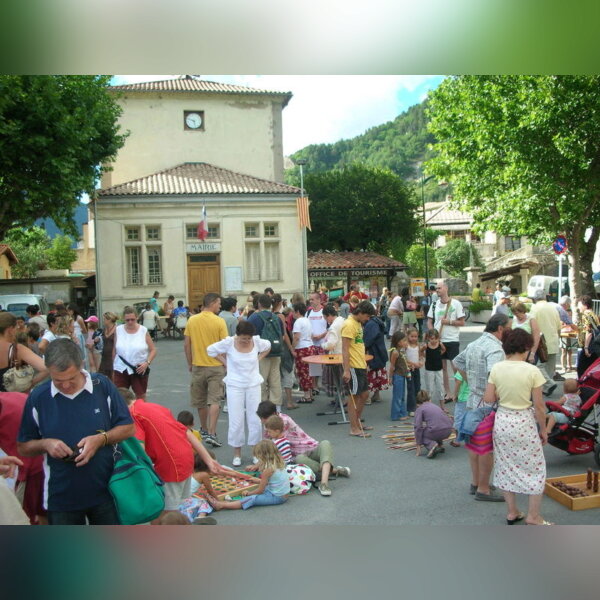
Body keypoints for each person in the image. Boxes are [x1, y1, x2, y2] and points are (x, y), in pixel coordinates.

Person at [17, 339, 135, 525]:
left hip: (107, 491)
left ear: (81, 365)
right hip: (61, 497)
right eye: (57, 381)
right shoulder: (38, 398)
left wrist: (101, 439)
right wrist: (46, 444)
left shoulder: (102, 386)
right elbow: (23, 446)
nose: (65, 386)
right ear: (48, 370)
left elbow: (128, 427)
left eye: (71, 379)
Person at [120, 387, 223, 522]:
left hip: (169, 464)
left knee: (164, 513)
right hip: (184, 457)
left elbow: (139, 449)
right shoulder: (155, 407)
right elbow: (186, 432)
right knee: (169, 509)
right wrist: (208, 459)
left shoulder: (133, 414)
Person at [483, 328, 551, 525]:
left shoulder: (497, 368)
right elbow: (539, 406)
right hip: (524, 421)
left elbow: (488, 398)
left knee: (505, 466)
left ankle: (512, 511)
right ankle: (533, 516)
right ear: (526, 347)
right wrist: (544, 429)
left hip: (503, 420)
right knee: (535, 468)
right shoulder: (532, 370)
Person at [452, 313, 510, 501]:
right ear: (500, 329)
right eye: (508, 328)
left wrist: (470, 381)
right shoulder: (495, 349)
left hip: (472, 400)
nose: (509, 331)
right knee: (486, 447)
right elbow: (495, 375)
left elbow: (456, 362)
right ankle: (484, 488)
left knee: (474, 445)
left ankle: (476, 482)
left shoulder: (475, 344)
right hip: (488, 404)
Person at [252, 401, 350, 497]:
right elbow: (268, 447)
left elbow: (270, 448)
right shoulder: (269, 425)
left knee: (325, 443)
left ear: (274, 414)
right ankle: (333, 470)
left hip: (310, 449)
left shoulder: (282, 422)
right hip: (299, 457)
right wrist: (258, 464)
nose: (262, 421)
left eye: (264, 418)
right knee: (300, 459)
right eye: (261, 418)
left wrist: (260, 464)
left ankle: (324, 484)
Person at [207, 320, 271, 466]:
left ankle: (256, 452)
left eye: (248, 338)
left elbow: (269, 346)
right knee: (236, 420)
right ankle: (237, 453)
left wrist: (259, 358)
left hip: (253, 384)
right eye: (243, 338)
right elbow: (210, 350)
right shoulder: (229, 342)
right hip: (235, 385)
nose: (246, 341)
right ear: (238, 335)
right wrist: (224, 361)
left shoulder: (257, 341)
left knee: (255, 419)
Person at [184, 293, 228, 448]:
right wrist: (225, 363)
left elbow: (187, 344)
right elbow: (224, 346)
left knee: (200, 400)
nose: (220, 306)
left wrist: (190, 363)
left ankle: (203, 428)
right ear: (213, 303)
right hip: (216, 366)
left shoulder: (192, 320)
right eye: (219, 303)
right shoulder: (219, 321)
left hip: (198, 365)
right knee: (214, 400)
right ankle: (212, 432)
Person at [0, 392, 46, 524]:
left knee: (26, 516)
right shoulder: (17, 396)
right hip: (47, 462)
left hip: (26, 468)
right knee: (44, 512)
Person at [207, 440, 289, 511]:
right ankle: (229, 502)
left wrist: (248, 493)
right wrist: (260, 481)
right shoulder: (278, 461)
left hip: (278, 497)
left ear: (263, 455)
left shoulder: (267, 470)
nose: (258, 458)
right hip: (283, 493)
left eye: (259, 456)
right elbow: (275, 480)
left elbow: (260, 491)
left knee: (252, 499)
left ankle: (221, 505)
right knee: (262, 488)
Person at [342, 300, 376, 437]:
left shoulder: (357, 323)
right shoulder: (349, 324)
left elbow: (358, 345)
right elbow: (344, 349)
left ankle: (357, 423)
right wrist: (346, 369)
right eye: (367, 316)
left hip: (360, 364)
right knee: (354, 397)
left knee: (365, 394)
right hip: (353, 366)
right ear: (361, 313)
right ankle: (354, 428)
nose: (367, 320)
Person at [426, 281, 465, 401]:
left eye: (439, 288)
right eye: (436, 288)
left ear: (446, 288)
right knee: (442, 368)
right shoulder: (434, 305)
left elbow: (462, 322)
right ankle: (447, 393)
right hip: (440, 340)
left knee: (455, 367)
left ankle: (457, 392)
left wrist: (449, 322)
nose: (437, 290)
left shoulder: (456, 304)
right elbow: (429, 322)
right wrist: (433, 335)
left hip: (452, 339)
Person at [112, 306, 157, 400]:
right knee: (119, 397)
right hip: (120, 369)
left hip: (139, 369)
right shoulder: (118, 330)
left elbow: (153, 349)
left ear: (137, 317)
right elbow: (114, 349)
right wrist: (114, 367)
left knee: (141, 397)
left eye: (132, 319)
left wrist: (147, 363)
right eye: (127, 320)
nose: (130, 322)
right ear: (123, 319)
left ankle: (140, 414)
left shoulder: (143, 330)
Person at [248, 294, 283, 406]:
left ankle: (262, 406)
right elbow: (282, 336)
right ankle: (276, 407)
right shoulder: (276, 317)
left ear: (259, 304)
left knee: (261, 381)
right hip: (276, 352)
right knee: (275, 381)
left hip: (261, 354)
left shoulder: (254, 317)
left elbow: (248, 337)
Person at [0, 312, 48, 392]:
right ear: (10, 330)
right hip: (12, 399)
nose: (17, 330)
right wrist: (29, 385)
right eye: (16, 327)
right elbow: (46, 368)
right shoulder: (17, 349)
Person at [530, 289, 561, 396]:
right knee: (549, 366)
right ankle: (546, 387)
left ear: (535, 298)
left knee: (536, 365)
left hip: (541, 342)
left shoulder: (534, 308)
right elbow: (558, 326)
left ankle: (548, 384)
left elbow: (531, 325)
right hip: (553, 340)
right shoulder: (553, 308)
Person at [177, 452, 218, 525]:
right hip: (183, 500)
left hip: (176, 500)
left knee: (191, 501)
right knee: (204, 502)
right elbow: (211, 491)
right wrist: (218, 500)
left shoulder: (191, 471)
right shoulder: (204, 475)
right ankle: (201, 517)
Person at [272, 294, 297, 410]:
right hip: (282, 348)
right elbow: (284, 334)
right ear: (280, 303)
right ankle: (289, 401)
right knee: (287, 371)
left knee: (276, 375)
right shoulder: (280, 316)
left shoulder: (268, 314)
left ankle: (277, 401)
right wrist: (291, 349)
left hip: (272, 349)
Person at [413, 390, 454, 458]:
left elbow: (418, 427)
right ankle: (439, 445)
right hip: (448, 430)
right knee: (435, 426)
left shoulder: (420, 409)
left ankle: (432, 446)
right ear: (429, 399)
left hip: (437, 431)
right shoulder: (435, 406)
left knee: (422, 433)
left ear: (417, 403)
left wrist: (418, 444)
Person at [363, 310, 389, 404]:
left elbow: (368, 340)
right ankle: (376, 395)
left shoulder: (370, 324)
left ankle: (367, 397)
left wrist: (364, 347)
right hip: (380, 351)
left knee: (369, 374)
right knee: (378, 373)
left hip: (372, 352)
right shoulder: (377, 321)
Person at [291, 302, 314, 404]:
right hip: (310, 346)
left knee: (302, 372)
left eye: (293, 311)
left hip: (301, 348)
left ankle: (306, 396)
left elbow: (296, 337)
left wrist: (292, 348)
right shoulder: (307, 320)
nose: (292, 313)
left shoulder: (298, 322)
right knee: (309, 371)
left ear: (297, 312)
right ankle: (310, 393)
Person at [306, 292, 327, 394]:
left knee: (324, 366)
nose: (310, 301)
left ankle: (324, 384)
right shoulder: (308, 313)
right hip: (312, 344)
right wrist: (310, 335)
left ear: (319, 300)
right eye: (310, 299)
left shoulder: (324, 311)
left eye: (312, 299)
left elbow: (330, 328)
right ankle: (314, 386)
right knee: (313, 366)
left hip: (323, 343)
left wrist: (321, 336)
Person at [388, 331, 410, 421]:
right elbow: (392, 366)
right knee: (398, 396)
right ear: (398, 342)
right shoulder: (395, 352)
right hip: (398, 376)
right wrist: (390, 377)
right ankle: (396, 415)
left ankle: (402, 413)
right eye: (404, 341)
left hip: (402, 375)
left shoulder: (401, 350)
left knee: (401, 395)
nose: (406, 342)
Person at [576, 295, 600, 378]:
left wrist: (586, 347)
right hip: (594, 346)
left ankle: (582, 387)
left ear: (584, 305)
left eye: (579, 304)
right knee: (590, 368)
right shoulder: (593, 314)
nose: (578, 306)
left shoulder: (586, 315)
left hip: (588, 346)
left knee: (582, 369)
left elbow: (588, 331)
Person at [422, 328, 445, 411]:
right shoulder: (426, 345)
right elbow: (421, 351)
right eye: (432, 339)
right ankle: (430, 407)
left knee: (440, 387)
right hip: (429, 369)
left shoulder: (440, 344)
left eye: (436, 338)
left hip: (439, 369)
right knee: (430, 388)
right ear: (428, 338)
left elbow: (444, 350)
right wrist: (425, 356)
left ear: (438, 338)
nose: (434, 341)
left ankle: (442, 406)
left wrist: (439, 354)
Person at [405, 327, 423, 416]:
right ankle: (411, 408)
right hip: (409, 369)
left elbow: (420, 356)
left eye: (415, 336)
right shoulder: (406, 346)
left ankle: (418, 405)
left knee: (417, 387)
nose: (414, 338)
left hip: (416, 369)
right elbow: (404, 358)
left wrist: (420, 362)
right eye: (412, 336)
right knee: (411, 388)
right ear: (408, 336)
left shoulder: (418, 345)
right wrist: (412, 364)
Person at [98, 312, 118, 380]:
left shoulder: (117, 330)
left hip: (112, 357)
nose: (103, 321)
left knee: (113, 378)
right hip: (104, 357)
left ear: (109, 320)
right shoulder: (104, 330)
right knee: (102, 378)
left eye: (104, 319)